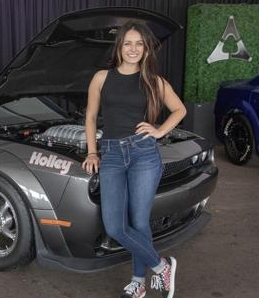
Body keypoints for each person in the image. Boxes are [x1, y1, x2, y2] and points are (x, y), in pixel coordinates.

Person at [81, 20, 186, 298]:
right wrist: (92, 151)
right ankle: (161, 266)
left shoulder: (154, 81)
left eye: (139, 44)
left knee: (139, 223)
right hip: (112, 154)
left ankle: (138, 283)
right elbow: (91, 116)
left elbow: (179, 109)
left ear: (146, 49)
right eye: (128, 43)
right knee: (115, 226)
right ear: (119, 46)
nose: (133, 48)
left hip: (143, 153)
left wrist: (160, 130)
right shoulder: (102, 78)